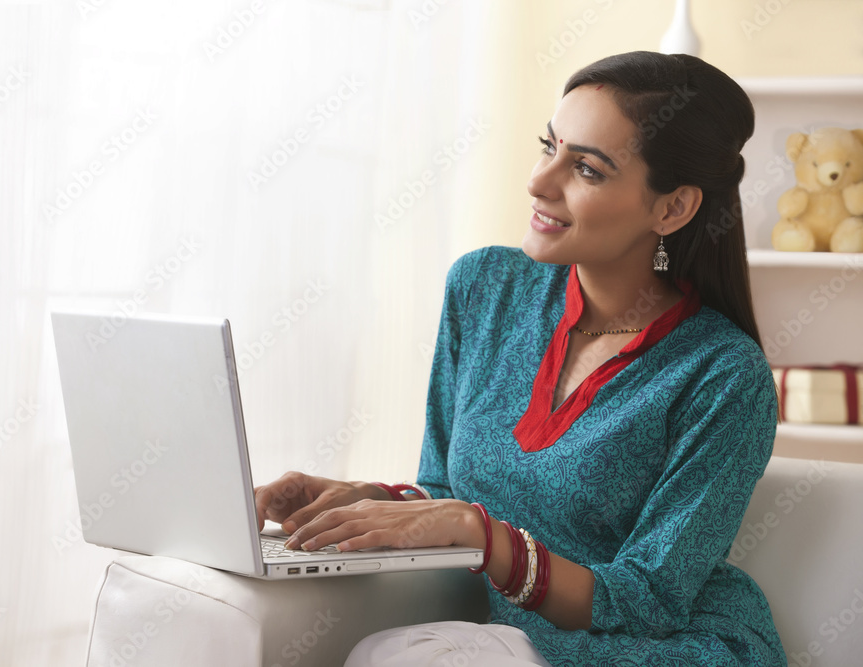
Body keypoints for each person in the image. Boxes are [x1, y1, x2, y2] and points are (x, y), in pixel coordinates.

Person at [254, 51, 785, 666]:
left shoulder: (724, 375)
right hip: (506, 637)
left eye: (586, 168)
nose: (539, 180)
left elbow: (649, 601)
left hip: (663, 650)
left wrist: (482, 534)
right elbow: (446, 489)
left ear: (672, 208)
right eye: (549, 145)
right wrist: (364, 500)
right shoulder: (483, 287)